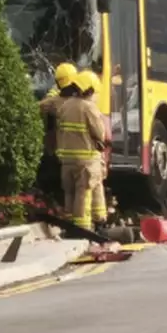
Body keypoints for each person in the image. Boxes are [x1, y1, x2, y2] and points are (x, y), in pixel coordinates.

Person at [54, 70, 108, 231]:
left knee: (69, 192)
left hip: (66, 160)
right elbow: (99, 133)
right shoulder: (88, 108)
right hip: (85, 160)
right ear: (89, 90)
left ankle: (71, 222)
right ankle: (83, 228)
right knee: (83, 193)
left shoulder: (65, 106)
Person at [38, 62, 79, 203]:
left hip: (60, 151)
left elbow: (39, 108)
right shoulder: (82, 102)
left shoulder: (54, 100)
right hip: (76, 153)